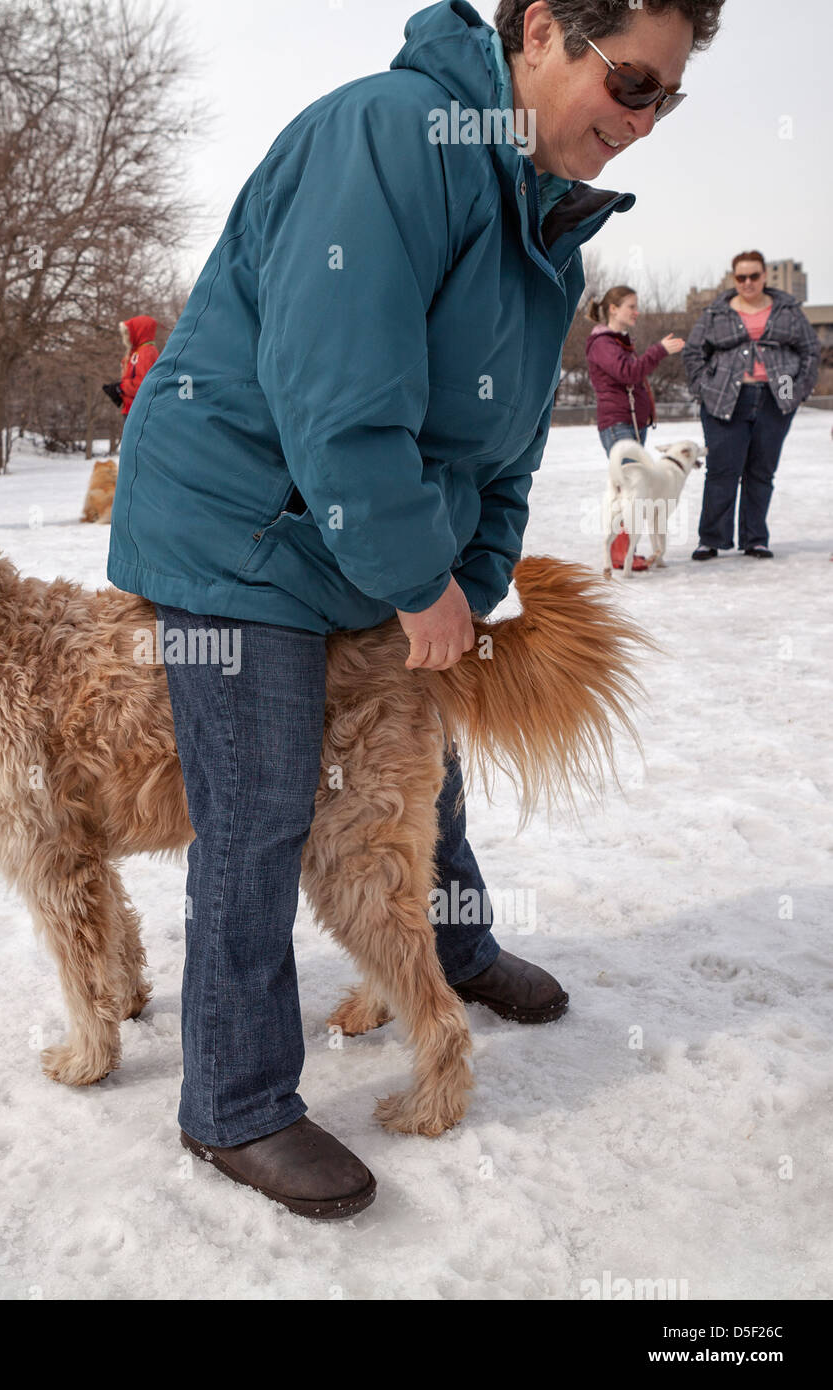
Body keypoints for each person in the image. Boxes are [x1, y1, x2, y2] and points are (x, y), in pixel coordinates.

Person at [107, 0, 719, 1219]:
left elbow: (502, 448)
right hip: (242, 531)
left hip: (356, 534)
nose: (643, 122)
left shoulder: (541, 217)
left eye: (667, 97)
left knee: (419, 773)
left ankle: (455, 943)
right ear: (540, 29)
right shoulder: (394, 138)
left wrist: (469, 578)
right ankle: (232, 1099)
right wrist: (413, 580)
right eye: (632, 83)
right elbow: (337, 396)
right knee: (262, 808)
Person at [683, 250, 821, 560]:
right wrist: (705, 388)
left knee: (761, 470)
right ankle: (712, 539)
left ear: (765, 277)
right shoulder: (715, 312)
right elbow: (693, 353)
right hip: (725, 399)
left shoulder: (788, 309)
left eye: (754, 276)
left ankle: (755, 538)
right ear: (734, 278)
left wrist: (797, 391)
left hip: (776, 397)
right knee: (722, 470)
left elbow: (810, 351)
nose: (748, 282)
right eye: (741, 277)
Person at [585, 284, 684, 569]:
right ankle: (620, 553)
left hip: (630, 425)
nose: (636, 312)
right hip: (617, 425)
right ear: (613, 309)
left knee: (633, 489)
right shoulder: (603, 343)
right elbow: (628, 373)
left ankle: (625, 551)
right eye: (631, 306)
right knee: (630, 490)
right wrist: (659, 350)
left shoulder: (618, 341)